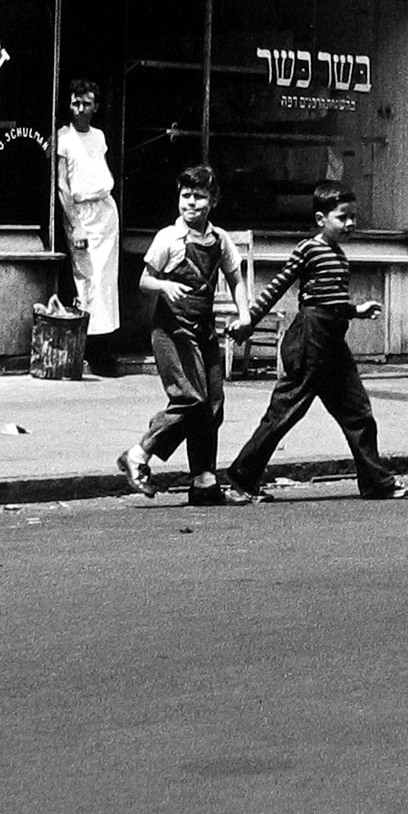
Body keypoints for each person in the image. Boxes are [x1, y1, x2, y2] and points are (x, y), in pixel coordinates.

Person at [224, 182, 408, 499]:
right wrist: (249, 321)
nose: (351, 224)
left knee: (359, 414)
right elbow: (276, 287)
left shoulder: (340, 256)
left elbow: (331, 300)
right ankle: (241, 479)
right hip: (310, 341)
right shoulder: (308, 249)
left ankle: (375, 483)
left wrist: (356, 310)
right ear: (320, 219)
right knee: (284, 414)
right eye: (343, 217)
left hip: (333, 343)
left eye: (354, 217)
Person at [117, 166, 253, 506]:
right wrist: (164, 285)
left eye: (200, 197)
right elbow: (144, 281)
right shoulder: (168, 238)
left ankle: (204, 481)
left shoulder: (220, 240)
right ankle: (138, 453)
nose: (191, 203)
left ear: (213, 201)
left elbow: (236, 279)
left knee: (213, 404)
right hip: (172, 331)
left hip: (204, 330)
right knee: (191, 400)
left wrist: (245, 314)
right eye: (186, 196)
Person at [56, 78, 122, 375]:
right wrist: (76, 226)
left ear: (95, 106)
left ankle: (104, 348)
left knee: (106, 283)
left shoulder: (99, 136)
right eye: (75, 103)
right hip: (82, 214)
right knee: (87, 281)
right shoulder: (64, 137)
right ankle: (90, 350)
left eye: (86, 103)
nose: (80, 109)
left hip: (105, 212)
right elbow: (62, 186)